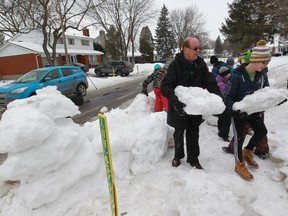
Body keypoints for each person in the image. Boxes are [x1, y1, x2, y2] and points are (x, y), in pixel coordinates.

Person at [161, 37, 221, 169]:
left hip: (195, 109)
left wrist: (218, 99)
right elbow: (165, 86)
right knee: (179, 133)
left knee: (193, 134)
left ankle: (193, 159)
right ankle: (178, 156)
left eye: (199, 48)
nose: (198, 51)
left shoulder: (200, 65)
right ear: (185, 49)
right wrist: (174, 101)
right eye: (195, 48)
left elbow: (210, 82)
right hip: (179, 108)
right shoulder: (175, 65)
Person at [224, 39, 271, 180]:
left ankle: (248, 151)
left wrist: (274, 99)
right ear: (256, 60)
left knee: (262, 131)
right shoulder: (237, 76)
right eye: (264, 63)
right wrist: (231, 110)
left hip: (253, 110)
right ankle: (239, 164)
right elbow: (227, 96)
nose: (265, 66)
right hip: (238, 112)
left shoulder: (261, 75)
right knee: (240, 137)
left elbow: (266, 90)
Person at [216, 66, 232, 142]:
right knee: (227, 118)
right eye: (228, 74)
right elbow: (225, 93)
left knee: (222, 117)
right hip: (222, 102)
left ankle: (220, 130)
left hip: (222, 103)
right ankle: (223, 134)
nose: (230, 75)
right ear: (224, 75)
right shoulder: (220, 83)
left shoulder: (224, 80)